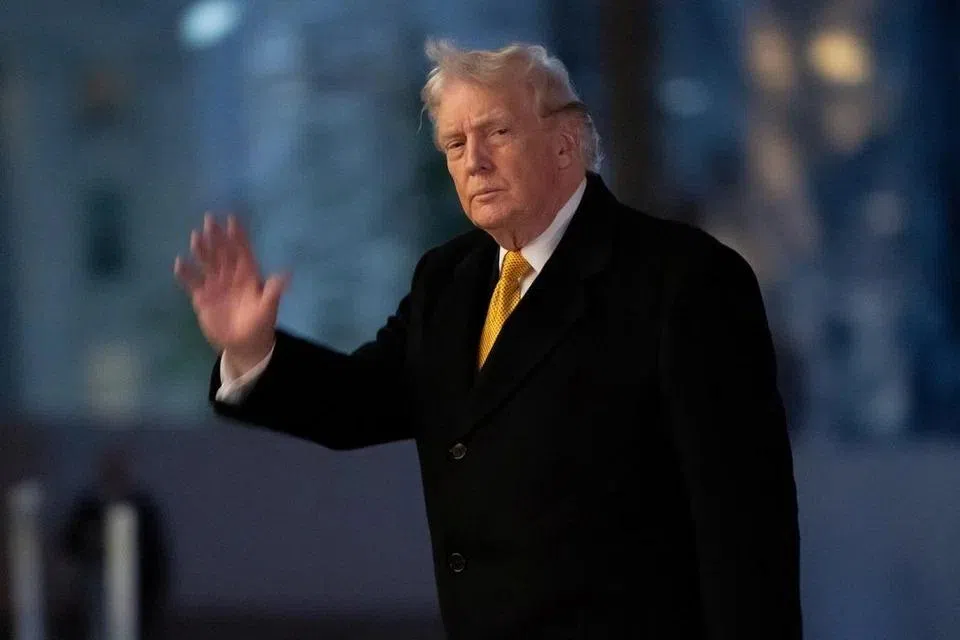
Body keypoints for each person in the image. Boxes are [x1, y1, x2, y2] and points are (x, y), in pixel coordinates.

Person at [173, 40, 802, 639]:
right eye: (455, 143)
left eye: (497, 133)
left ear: (564, 143)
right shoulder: (448, 279)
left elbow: (746, 527)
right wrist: (251, 349)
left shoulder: (684, 280)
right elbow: (357, 403)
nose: (473, 161)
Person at [60, 447, 171, 640]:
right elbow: (70, 543)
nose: (114, 474)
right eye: (110, 469)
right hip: (94, 587)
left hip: (137, 589)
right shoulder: (87, 506)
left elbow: (155, 553)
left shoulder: (143, 507)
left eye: (119, 469)